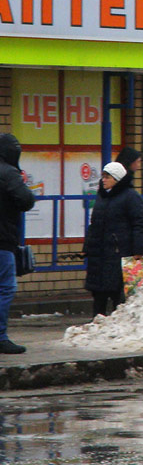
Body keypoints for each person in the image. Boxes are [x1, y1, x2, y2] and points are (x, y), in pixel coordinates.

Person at [83, 162, 143, 317]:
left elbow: (139, 225)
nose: (103, 180)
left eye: (107, 177)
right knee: (98, 293)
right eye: (103, 177)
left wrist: (138, 251)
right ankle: (97, 323)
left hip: (118, 253)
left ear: (117, 179)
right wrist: (87, 247)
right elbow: (94, 224)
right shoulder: (102, 196)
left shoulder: (130, 197)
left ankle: (119, 324)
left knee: (117, 293)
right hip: (99, 254)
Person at [0, 133, 36, 355]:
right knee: (6, 288)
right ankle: (0, 336)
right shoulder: (9, 173)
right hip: (3, 240)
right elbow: (26, 200)